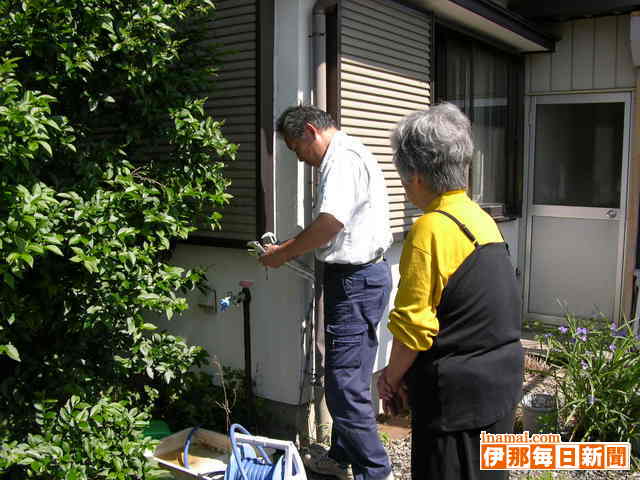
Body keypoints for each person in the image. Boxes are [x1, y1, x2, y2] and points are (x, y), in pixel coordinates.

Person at [376, 103, 523, 480]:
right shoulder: (481, 219)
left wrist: (390, 380)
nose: (406, 188)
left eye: (404, 178)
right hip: (501, 384)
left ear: (418, 177)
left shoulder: (430, 229)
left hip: (456, 402)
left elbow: (412, 329)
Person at [260, 106, 394, 480]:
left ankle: (376, 472)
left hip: (356, 281)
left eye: (295, 148)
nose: (299, 157)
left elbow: (330, 223)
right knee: (349, 377)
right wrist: (288, 245)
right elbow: (331, 225)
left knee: (343, 387)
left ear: (309, 131)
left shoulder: (342, 159)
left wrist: (283, 253)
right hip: (357, 279)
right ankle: (340, 457)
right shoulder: (346, 155)